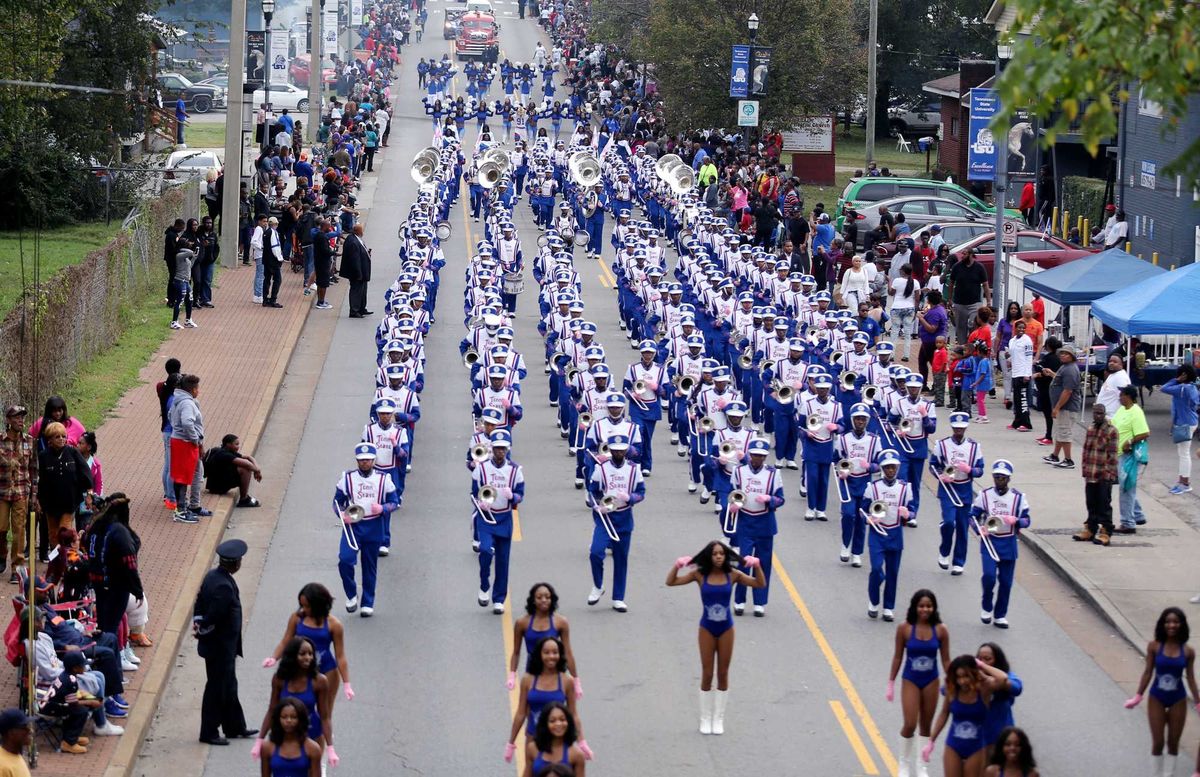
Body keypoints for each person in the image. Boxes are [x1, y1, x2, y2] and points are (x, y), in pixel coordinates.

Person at [666, 540, 764, 735]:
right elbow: (671, 582)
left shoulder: (733, 574)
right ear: (709, 557)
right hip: (707, 628)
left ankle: (718, 718)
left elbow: (759, 584)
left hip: (726, 629)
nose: (718, 556)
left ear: (726, 556)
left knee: (723, 673)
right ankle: (705, 718)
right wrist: (676, 566)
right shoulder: (699, 574)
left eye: (721, 553)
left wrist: (757, 566)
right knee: (707, 672)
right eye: (714, 554)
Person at [193, 538, 257, 746]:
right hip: (220, 646)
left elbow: (199, 602)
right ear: (234, 563)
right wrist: (203, 628)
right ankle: (209, 732)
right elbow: (215, 616)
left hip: (221, 645)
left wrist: (198, 622)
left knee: (229, 685)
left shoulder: (213, 577)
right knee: (217, 688)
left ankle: (235, 726)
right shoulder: (224, 587)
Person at [1124, 607, 1199, 777]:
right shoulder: (1154, 646)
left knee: (1173, 743)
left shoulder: (1188, 651)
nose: (1171, 625)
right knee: (1158, 742)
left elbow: (1191, 678)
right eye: (1168, 621)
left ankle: (1168, 774)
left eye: (1175, 622)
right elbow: (1148, 672)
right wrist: (1137, 696)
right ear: (1162, 624)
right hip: (1156, 698)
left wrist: (1198, 701)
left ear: (1182, 625)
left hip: (1178, 699)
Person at [887, 589, 951, 777]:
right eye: (922, 606)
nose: (925, 609)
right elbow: (898, 657)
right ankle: (904, 763)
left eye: (929, 606)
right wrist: (891, 682)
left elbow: (946, 660)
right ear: (915, 607)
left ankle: (922, 766)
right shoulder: (905, 628)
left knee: (926, 724)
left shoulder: (941, 630)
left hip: (931, 680)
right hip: (911, 679)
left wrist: (952, 681)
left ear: (934, 608)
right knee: (909, 723)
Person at [333, 443, 400, 617]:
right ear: (357, 460)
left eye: (368, 460)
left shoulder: (384, 479)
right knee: (345, 560)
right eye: (362, 460)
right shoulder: (347, 478)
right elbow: (336, 501)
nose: (365, 463)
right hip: (353, 526)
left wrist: (383, 509)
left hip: (374, 525)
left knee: (369, 566)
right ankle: (351, 594)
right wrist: (342, 514)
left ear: (374, 459)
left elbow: (395, 502)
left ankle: (367, 602)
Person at [506, 636, 590, 764]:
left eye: (555, 652)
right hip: (533, 738)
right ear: (539, 655)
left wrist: (582, 741)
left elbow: (573, 714)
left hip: (558, 739)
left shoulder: (566, 681)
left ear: (560, 655)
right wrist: (511, 743)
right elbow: (521, 713)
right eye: (546, 652)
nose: (551, 656)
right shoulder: (528, 680)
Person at [585, 434, 645, 612]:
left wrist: (630, 497)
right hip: (605, 518)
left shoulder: (634, 469)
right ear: (610, 450)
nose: (618, 452)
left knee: (621, 559)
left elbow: (641, 493)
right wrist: (597, 506)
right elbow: (593, 491)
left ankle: (618, 597)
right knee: (596, 552)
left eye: (621, 449)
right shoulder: (601, 468)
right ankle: (598, 585)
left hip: (624, 517)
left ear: (626, 450)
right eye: (615, 450)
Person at [729, 438, 785, 615]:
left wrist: (770, 500)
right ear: (749, 454)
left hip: (765, 523)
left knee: (763, 564)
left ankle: (760, 602)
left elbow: (781, 499)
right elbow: (733, 493)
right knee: (743, 562)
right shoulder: (739, 471)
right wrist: (733, 505)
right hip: (745, 521)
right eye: (754, 455)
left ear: (765, 457)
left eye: (761, 456)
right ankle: (739, 600)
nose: (757, 459)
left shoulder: (773, 474)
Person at [253, 637, 332, 764]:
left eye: (310, 654)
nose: (308, 657)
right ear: (292, 655)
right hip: (285, 732)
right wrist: (260, 740)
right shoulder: (279, 679)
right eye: (303, 654)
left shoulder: (320, 681)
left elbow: (325, 717)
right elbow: (272, 710)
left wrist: (330, 747)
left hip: (311, 731)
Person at [972, 460, 1031, 628]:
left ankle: (1000, 615)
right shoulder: (984, 495)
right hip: (990, 542)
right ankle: (986, 605)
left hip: (1008, 542)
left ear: (1009, 478)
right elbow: (972, 516)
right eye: (997, 477)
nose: (1000, 480)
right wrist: (979, 530)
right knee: (989, 577)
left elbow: (1027, 520)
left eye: (1003, 477)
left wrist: (1017, 520)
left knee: (1006, 582)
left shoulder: (1018, 498)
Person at [473, 431, 523, 613]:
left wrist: (513, 496)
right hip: (486, 518)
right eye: (497, 448)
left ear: (508, 449)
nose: (500, 451)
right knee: (485, 550)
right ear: (492, 449)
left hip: (504, 518)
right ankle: (484, 583)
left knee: (503, 561)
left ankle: (499, 598)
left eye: (503, 448)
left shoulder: (516, 470)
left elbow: (521, 495)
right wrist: (480, 503)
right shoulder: (482, 468)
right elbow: (473, 492)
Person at [931, 413, 984, 574]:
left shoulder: (974, 447)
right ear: (952, 427)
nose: (959, 430)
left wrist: (970, 470)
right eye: (956, 427)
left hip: (965, 489)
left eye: (962, 428)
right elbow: (933, 465)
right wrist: (940, 475)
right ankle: (944, 552)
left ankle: (959, 562)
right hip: (948, 489)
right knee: (949, 522)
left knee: (962, 526)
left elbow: (980, 469)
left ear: (966, 427)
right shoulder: (942, 444)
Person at [922, 655, 992, 775]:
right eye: (958, 677)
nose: (962, 681)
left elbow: (1003, 678)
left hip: (976, 748)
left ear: (973, 674)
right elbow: (944, 714)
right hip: (953, 746)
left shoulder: (984, 690)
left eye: (966, 676)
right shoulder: (952, 691)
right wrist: (931, 741)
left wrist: (982, 666)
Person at [509, 583, 580, 695]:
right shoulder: (522, 623)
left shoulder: (560, 622)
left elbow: (568, 653)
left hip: (554, 668)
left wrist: (576, 680)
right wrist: (512, 674)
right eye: (539, 597)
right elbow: (516, 652)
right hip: (533, 669)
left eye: (547, 597)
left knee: (555, 708)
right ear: (533, 600)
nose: (544, 600)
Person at [37, 421, 91, 544]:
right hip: (50, 504)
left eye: (63, 436)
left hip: (69, 502)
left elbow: (85, 472)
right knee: (54, 535)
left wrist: (89, 493)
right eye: (57, 437)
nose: (61, 439)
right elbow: (41, 480)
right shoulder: (43, 456)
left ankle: (67, 559)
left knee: (65, 532)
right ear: (50, 439)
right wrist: (39, 500)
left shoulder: (73, 452)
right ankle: (56, 561)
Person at [1074, 403, 1119, 546]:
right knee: (1091, 503)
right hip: (1091, 473)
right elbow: (1086, 451)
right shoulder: (1091, 429)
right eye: (1096, 413)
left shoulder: (1112, 431)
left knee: (1104, 505)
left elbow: (1112, 455)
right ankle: (1090, 529)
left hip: (1103, 475)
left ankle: (1105, 532)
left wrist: (1109, 474)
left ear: (1104, 414)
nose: (1098, 416)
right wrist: (1085, 470)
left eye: (1100, 413)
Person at [168, 374, 211, 524]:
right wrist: (195, 440)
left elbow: (169, 415)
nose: (198, 391)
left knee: (188, 474)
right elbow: (187, 423)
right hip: (185, 443)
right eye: (197, 388)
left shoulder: (178, 400)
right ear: (193, 390)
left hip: (180, 440)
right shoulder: (187, 403)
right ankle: (181, 510)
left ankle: (190, 506)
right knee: (182, 477)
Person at [0, 405, 36, 580]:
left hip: (21, 491)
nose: (20, 420)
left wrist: (34, 494)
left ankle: (17, 567)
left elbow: (34, 469)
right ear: (8, 420)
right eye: (16, 417)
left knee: (19, 530)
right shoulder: (0, 440)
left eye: (22, 417)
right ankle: (1, 554)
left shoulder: (29, 441)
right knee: (1, 527)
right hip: (2, 491)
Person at [1112, 385, 1150, 534]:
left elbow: (1145, 433)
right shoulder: (1122, 410)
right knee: (1126, 486)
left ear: (1128, 396)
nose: (1119, 397)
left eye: (1121, 394)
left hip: (1130, 456)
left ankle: (1128, 523)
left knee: (1126, 488)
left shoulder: (1136, 412)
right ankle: (1138, 514)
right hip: (1119, 454)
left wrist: (1130, 441)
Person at [976, 642, 1022, 750]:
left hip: (1002, 736)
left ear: (997, 660)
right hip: (979, 737)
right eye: (980, 659)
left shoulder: (1007, 676)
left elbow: (1017, 688)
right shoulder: (971, 677)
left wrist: (986, 670)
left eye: (988, 659)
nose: (982, 662)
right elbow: (946, 689)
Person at [1161, 364, 1199, 494]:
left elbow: (1164, 388)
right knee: (1183, 453)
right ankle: (1182, 481)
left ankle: (1185, 483)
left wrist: (1176, 380)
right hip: (1190, 422)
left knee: (1184, 454)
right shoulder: (1193, 388)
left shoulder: (1181, 388)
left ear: (1184, 375)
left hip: (1185, 424)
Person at [259, 698, 322, 777]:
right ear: (278, 719)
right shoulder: (267, 747)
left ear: (301, 719)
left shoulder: (313, 749)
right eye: (284, 717)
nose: (288, 720)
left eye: (293, 717)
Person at [523, 702, 586, 777]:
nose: (558, 724)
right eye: (552, 721)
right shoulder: (532, 749)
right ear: (545, 724)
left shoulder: (577, 755)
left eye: (562, 720)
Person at [1044, 347, 1082, 468]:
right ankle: (1055, 455)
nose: (1062, 355)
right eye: (1061, 353)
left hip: (1067, 408)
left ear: (1072, 356)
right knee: (1060, 432)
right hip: (1063, 407)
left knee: (1065, 433)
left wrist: (1057, 407)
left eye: (1066, 354)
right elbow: (1061, 381)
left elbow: (1068, 391)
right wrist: (1052, 374)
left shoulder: (1070, 370)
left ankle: (1068, 459)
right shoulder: (1065, 367)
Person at [204, 434, 263, 507]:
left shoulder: (227, 451)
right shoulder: (223, 454)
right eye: (236, 444)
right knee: (245, 469)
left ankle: (245, 498)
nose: (238, 446)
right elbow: (247, 464)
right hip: (217, 487)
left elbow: (248, 457)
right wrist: (256, 470)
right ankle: (244, 499)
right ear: (228, 444)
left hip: (218, 482)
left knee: (245, 467)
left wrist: (258, 470)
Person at [946, 249, 989, 346]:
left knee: (972, 323)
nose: (962, 256)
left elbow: (985, 285)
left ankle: (972, 344)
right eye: (962, 254)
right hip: (960, 303)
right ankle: (962, 348)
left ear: (971, 255)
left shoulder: (979, 267)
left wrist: (989, 302)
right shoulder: (957, 267)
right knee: (961, 328)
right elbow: (951, 283)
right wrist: (949, 299)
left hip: (975, 303)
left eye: (965, 254)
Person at [1031, 337, 1062, 444]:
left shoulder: (1048, 358)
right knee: (1049, 413)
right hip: (1054, 388)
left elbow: (1044, 372)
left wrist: (1037, 373)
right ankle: (1048, 434)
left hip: (1046, 388)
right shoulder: (1058, 358)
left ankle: (1049, 436)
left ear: (1048, 346)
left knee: (1047, 413)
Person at [916, 292, 948, 391]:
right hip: (927, 341)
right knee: (922, 361)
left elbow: (932, 328)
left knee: (934, 364)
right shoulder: (937, 309)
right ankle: (924, 384)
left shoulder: (936, 312)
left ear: (929, 300)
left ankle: (936, 387)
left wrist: (921, 318)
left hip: (932, 342)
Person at [340, 224, 373, 318]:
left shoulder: (356, 238)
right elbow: (355, 260)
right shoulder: (353, 242)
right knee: (356, 291)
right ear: (357, 231)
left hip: (363, 271)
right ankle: (354, 311)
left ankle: (362, 308)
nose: (363, 232)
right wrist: (358, 273)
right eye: (361, 230)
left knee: (363, 291)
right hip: (357, 273)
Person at [1007, 320, 1034, 432]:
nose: (1021, 330)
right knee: (1017, 399)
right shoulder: (1012, 341)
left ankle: (1026, 423)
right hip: (1015, 372)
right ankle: (1017, 422)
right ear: (1015, 328)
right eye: (1019, 327)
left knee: (1023, 399)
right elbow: (1012, 355)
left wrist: (1027, 374)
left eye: (1023, 328)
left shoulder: (1027, 340)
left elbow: (1028, 358)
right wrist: (1009, 359)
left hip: (1023, 373)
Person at [888, 265, 918, 361]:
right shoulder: (915, 282)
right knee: (907, 333)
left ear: (903, 271)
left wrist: (889, 282)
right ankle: (906, 355)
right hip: (909, 308)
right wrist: (915, 311)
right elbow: (917, 298)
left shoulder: (897, 281)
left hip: (896, 307)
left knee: (895, 332)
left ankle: (891, 355)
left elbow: (891, 293)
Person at [0, 708, 33, 776]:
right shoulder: (2, 767)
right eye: (24, 727)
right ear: (11, 733)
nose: (30, 730)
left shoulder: (15, 755)